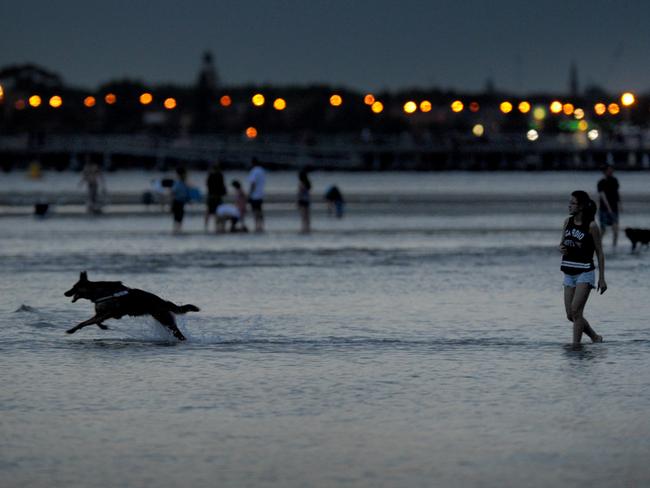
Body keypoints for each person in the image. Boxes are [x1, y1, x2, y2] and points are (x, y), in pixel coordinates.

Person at [559, 190, 607, 345]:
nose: (569, 206)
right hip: (568, 271)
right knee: (570, 314)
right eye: (570, 202)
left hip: (585, 272)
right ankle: (594, 337)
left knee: (576, 311)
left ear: (581, 206)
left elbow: (599, 252)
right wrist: (562, 248)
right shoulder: (567, 221)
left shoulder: (592, 226)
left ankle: (576, 346)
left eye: (572, 203)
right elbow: (562, 243)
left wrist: (602, 278)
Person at [597, 164, 621, 248]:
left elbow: (616, 193)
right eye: (609, 170)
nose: (611, 171)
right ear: (605, 171)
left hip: (614, 208)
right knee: (603, 229)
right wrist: (608, 207)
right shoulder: (601, 182)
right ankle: (598, 245)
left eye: (612, 170)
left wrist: (619, 204)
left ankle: (614, 245)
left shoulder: (614, 180)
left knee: (615, 229)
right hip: (604, 209)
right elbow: (602, 196)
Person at [204, 162, 227, 232]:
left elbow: (207, 184)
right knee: (218, 212)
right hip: (218, 196)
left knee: (208, 211)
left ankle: (205, 227)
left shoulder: (210, 175)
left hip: (211, 196)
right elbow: (223, 186)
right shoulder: (220, 175)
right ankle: (217, 226)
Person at [247, 158, 266, 232]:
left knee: (255, 211)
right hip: (260, 194)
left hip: (255, 195)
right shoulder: (262, 170)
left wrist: (250, 194)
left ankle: (256, 225)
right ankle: (261, 225)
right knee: (260, 210)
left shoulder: (254, 171)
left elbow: (253, 183)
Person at [170, 167, 191, 234]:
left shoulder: (183, 183)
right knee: (177, 217)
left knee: (180, 217)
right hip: (177, 202)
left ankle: (178, 230)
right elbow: (173, 192)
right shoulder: (178, 183)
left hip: (181, 202)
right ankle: (176, 230)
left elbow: (186, 192)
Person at [297, 168, 312, 233]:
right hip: (307, 200)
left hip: (302, 200)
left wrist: (297, 201)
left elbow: (300, 193)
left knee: (303, 215)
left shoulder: (302, 183)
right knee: (307, 215)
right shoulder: (308, 183)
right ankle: (308, 227)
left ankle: (304, 228)